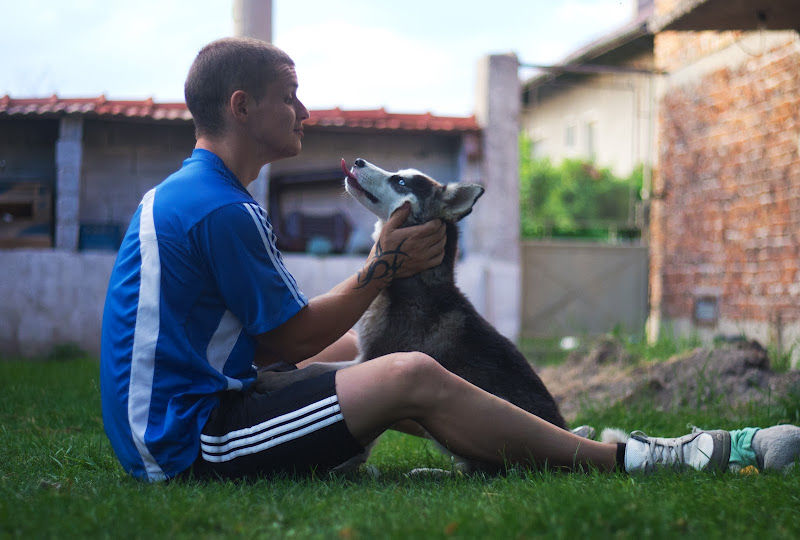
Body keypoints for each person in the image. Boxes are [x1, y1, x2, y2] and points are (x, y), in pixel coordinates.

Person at [99, 37, 731, 482]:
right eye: (289, 96)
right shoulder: (221, 210)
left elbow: (269, 344)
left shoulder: (196, 193)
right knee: (410, 373)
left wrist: (377, 282)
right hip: (188, 441)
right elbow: (288, 340)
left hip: (176, 418)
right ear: (241, 107)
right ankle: (623, 459)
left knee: (370, 358)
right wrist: (385, 265)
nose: (304, 112)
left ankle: (544, 443)